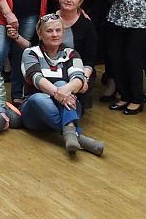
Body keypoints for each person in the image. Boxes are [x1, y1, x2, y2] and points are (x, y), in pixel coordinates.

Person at [20, 15, 104, 155]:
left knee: (62, 83)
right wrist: (58, 93)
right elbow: (36, 78)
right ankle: (78, 136)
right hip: (35, 112)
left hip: (66, 105)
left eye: (58, 30)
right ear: (40, 34)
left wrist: (64, 90)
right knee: (39, 98)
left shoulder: (71, 53)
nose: (54, 34)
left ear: (63, 33)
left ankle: (69, 131)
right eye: (49, 31)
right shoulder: (30, 53)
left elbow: (78, 79)